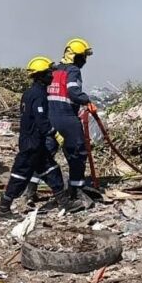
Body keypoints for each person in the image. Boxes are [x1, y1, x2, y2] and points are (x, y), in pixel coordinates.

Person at [0, 57, 81, 219]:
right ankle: (3, 208)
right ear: (41, 76)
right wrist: (55, 134)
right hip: (31, 143)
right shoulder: (37, 95)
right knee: (20, 175)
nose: (52, 76)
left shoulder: (33, 93)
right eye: (49, 73)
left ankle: (64, 202)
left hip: (36, 142)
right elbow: (41, 121)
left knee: (52, 170)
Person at [47, 38, 97, 210]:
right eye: (83, 56)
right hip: (66, 117)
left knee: (45, 154)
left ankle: (29, 193)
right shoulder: (73, 70)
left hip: (49, 117)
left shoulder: (52, 70)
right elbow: (73, 92)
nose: (85, 60)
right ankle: (75, 190)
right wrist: (87, 100)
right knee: (77, 152)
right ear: (76, 56)